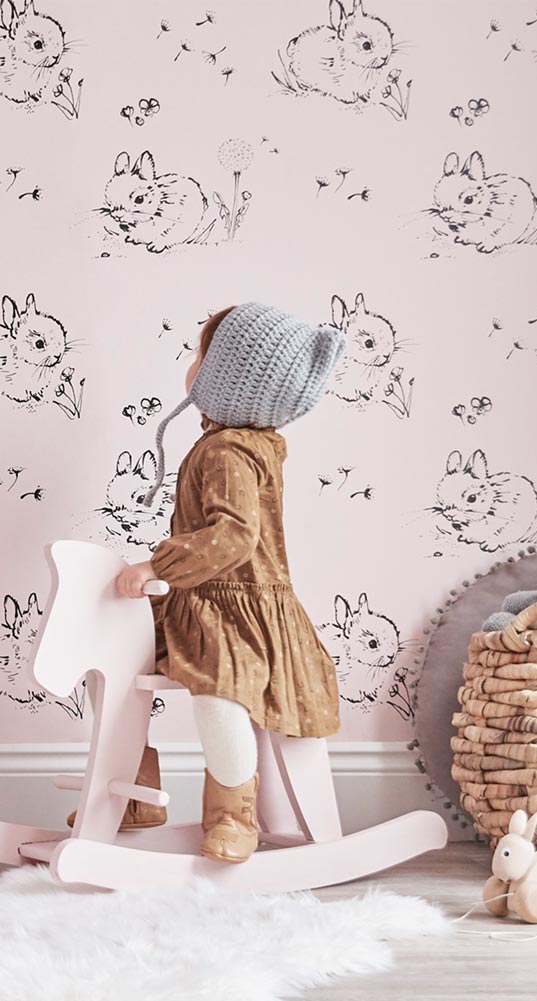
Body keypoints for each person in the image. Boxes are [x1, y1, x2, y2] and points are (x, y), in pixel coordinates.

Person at [112, 302, 345, 863]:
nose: (191, 365)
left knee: (220, 694)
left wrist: (157, 566)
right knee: (113, 656)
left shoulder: (228, 450)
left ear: (229, 374)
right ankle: (134, 787)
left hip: (233, 611)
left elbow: (234, 536)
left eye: (201, 355)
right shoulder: (238, 443)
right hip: (200, 601)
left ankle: (233, 813)